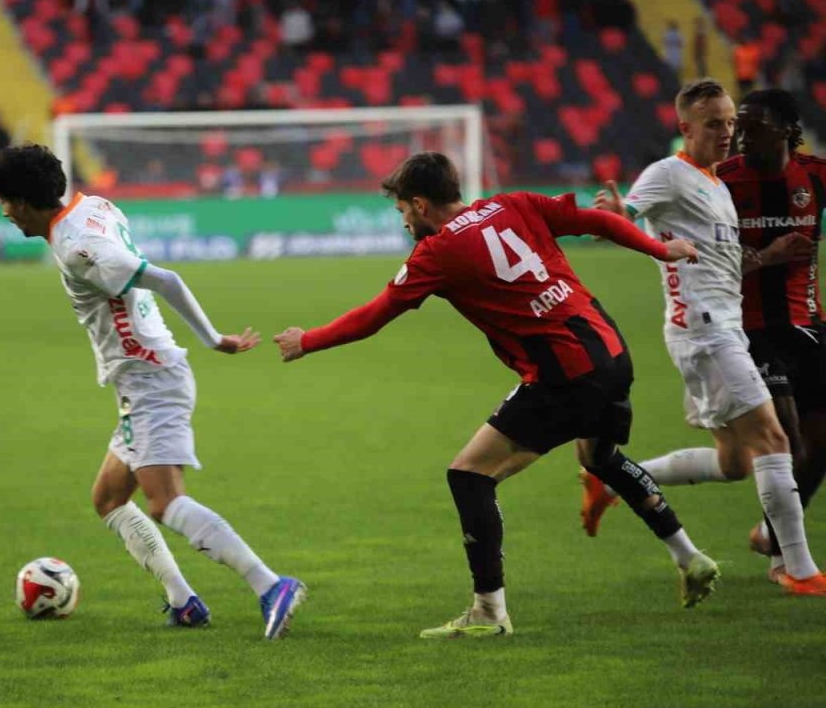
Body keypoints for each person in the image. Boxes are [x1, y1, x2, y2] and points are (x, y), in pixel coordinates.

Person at [274, 151, 714, 639]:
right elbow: (597, 221)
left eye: (402, 211)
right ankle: (689, 557)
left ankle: (489, 611)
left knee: (469, 475)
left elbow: (374, 315)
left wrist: (307, 340)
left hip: (562, 374)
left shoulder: (435, 252)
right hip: (610, 351)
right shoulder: (514, 203)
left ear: (420, 204)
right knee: (599, 456)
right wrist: (661, 250)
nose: (403, 222)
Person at [0, 144, 306, 639]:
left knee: (165, 504)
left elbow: (166, 279)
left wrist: (213, 339)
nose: (3, 211)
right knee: (109, 499)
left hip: (151, 379)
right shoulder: (93, 207)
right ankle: (184, 602)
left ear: (24, 200)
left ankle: (271, 585)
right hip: (138, 382)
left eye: (5, 200)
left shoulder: (77, 248)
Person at [579, 80, 826, 595]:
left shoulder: (715, 184)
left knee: (736, 462)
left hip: (720, 327)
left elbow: (723, 263)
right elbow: (628, 215)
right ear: (685, 128)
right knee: (776, 438)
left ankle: (614, 478)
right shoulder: (669, 174)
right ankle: (799, 571)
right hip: (706, 332)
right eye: (714, 123)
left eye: (730, 122)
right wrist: (619, 217)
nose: (727, 132)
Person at [718, 89, 826, 583]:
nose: (740, 134)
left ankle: (772, 534)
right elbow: (709, 266)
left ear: (786, 129)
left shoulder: (815, 176)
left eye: (753, 125)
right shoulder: (722, 182)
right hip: (749, 330)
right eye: (738, 124)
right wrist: (768, 255)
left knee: (818, 445)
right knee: (787, 442)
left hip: (807, 325)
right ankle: (792, 565)